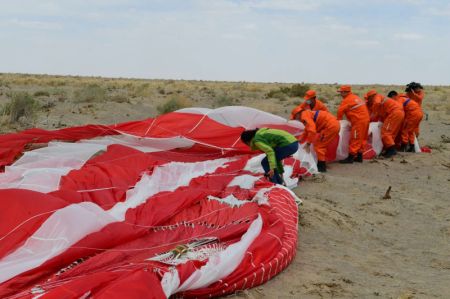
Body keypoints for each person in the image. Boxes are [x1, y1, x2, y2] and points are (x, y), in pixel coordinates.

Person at [336, 85, 370, 163]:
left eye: (341, 92)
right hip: (366, 120)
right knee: (362, 138)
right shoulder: (355, 97)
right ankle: (359, 156)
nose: (340, 94)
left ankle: (351, 157)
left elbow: (340, 111)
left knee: (355, 138)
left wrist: (338, 122)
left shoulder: (347, 100)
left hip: (358, 121)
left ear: (345, 92)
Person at [370, 92, 405, 158]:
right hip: (400, 113)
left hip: (394, 113)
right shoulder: (384, 101)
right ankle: (389, 149)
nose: (369, 101)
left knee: (385, 132)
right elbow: (381, 115)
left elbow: (377, 103)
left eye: (368, 99)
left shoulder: (377, 96)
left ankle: (391, 150)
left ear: (371, 97)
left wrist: (374, 111)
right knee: (391, 133)